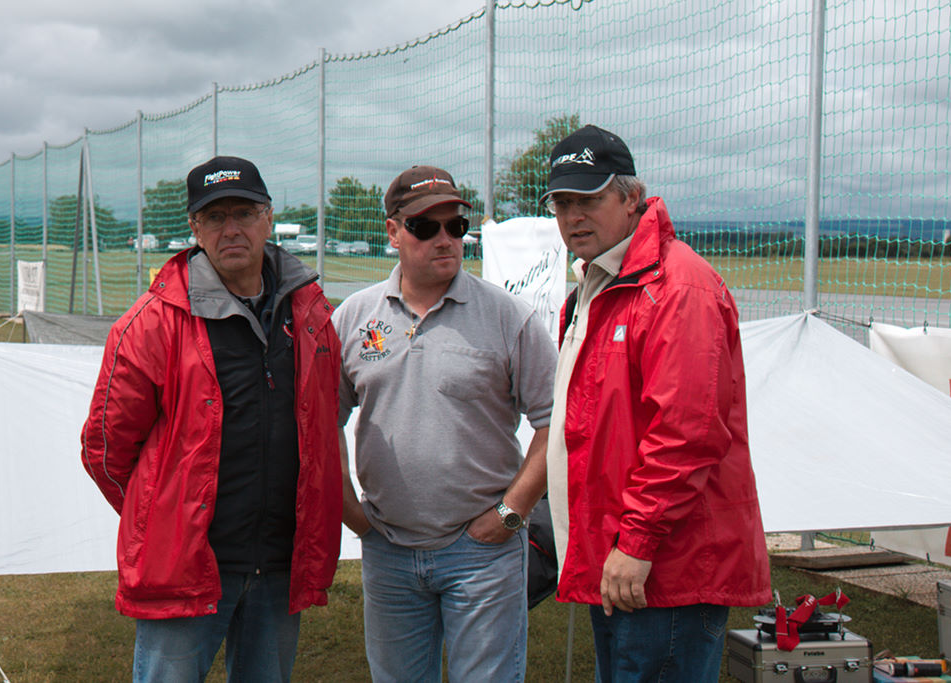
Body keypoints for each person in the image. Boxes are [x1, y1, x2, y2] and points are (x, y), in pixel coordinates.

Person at [81, 156, 342, 683]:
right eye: (215, 217)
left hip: (279, 562)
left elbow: (323, 426)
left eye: (243, 213)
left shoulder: (311, 314)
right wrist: (161, 519)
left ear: (268, 218)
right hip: (188, 566)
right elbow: (105, 451)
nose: (231, 229)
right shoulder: (151, 324)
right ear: (195, 229)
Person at [542, 125, 771, 682]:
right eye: (562, 203)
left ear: (631, 198)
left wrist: (638, 543)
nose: (574, 216)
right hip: (624, 563)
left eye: (589, 199)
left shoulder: (677, 287)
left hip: (664, 571)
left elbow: (686, 434)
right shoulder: (598, 285)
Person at [334, 165, 558, 682]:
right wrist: (352, 515)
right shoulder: (353, 318)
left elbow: (556, 423)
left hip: (483, 552)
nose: (445, 239)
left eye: (456, 226)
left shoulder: (509, 317)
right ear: (393, 232)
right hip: (388, 547)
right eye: (425, 227)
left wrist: (511, 513)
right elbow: (322, 422)